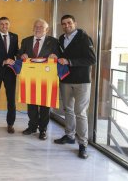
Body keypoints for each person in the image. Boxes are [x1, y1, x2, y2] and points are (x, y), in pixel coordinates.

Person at [54, 15, 96, 159]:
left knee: (80, 112)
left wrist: (69, 61)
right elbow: (61, 56)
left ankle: (83, 144)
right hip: (65, 79)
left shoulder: (84, 38)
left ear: (75, 23)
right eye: (64, 24)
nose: (67, 25)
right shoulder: (61, 39)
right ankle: (69, 135)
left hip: (82, 81)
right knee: (68, 109)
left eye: (69, 23)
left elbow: (92, 59)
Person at [19, 19, 60, 140]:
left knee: (44, 105)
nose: (38, 28)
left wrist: (55, 57)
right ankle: (32, 127)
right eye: (36, 26)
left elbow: (59, 56)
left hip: (45, 79)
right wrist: (22, 55)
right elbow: (19, 54)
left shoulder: (53, 42)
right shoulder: (26, 41)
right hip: (30, 78)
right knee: (31, 103)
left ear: (46, 30)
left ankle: (43, 130)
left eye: (41, 27)